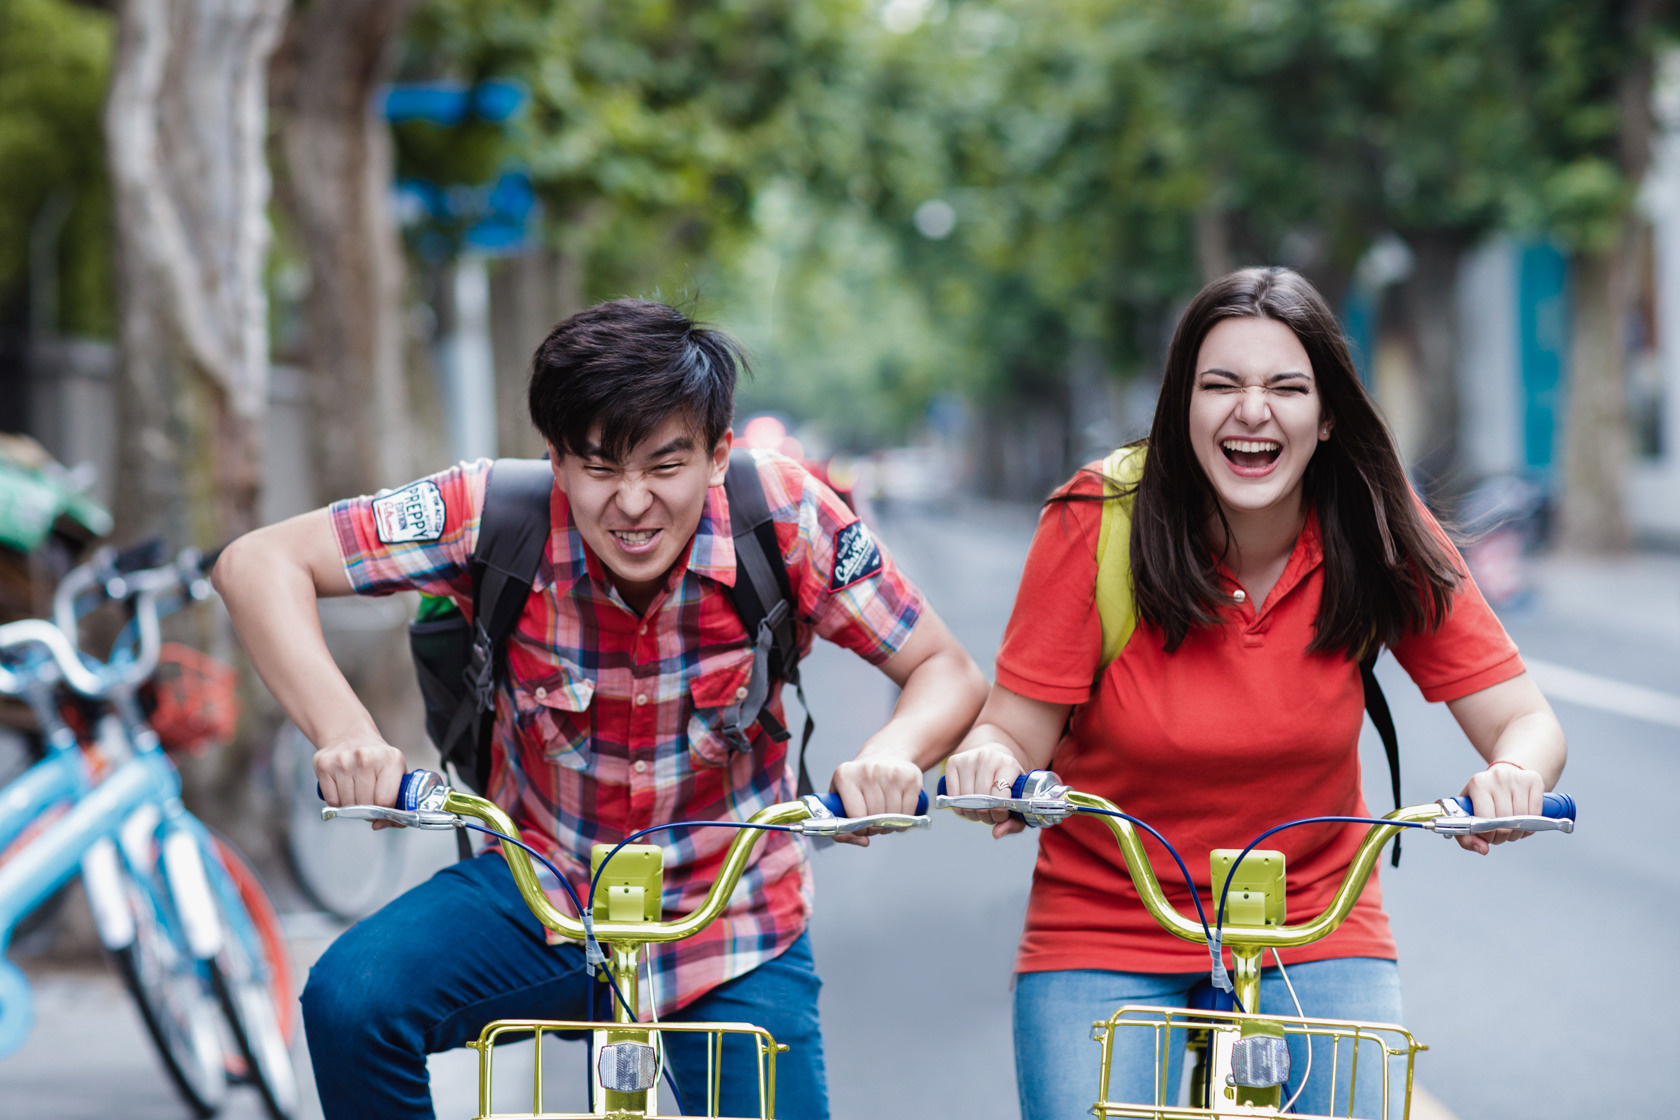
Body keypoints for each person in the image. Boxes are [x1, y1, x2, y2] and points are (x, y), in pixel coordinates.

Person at [212, 298, 987, 1120]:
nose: (632, 502)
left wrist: (894, 752)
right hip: (540, 896)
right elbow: (257, 563)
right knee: (350, 999)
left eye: (663, 465)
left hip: (733, 922)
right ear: (556, 460)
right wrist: (345, 733)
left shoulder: (787, 517)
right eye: (599, 466)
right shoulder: (488, 512)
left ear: (719, 455)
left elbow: (944, 668)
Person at [941, 267, 1566, 1119]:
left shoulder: (1378, 525)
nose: (1252, 411)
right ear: (1182, 408)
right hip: (1105, 924)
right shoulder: (1098, 517)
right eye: (1220, 385)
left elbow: (1524, 720)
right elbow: (1013, 732)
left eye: (1287, 387)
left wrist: (1514, 775)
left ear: (1328, 414)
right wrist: (988, 763)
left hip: (1313, 925)